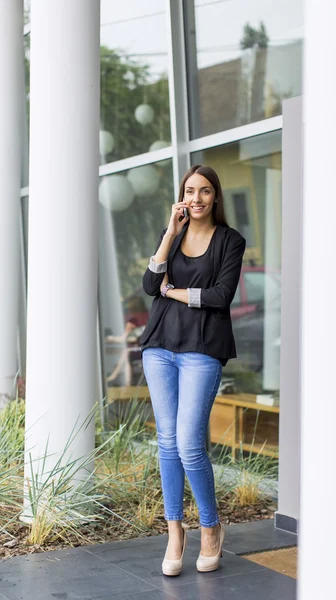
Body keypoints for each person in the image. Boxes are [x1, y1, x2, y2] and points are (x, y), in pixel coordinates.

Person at [140, 164, 246, 577]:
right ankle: (174, 532)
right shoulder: (176, 236)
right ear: (181, 196)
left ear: (215, 196)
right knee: (167, 443)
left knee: (188, 443)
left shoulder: (230, 242)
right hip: (160, 348)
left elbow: (221, 296)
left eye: (204, 191)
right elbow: (150, 287)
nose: (197, 198)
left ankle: (210, 526)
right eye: (189, 191)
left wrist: (174, 291)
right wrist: (169, 233)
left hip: (202, 349)